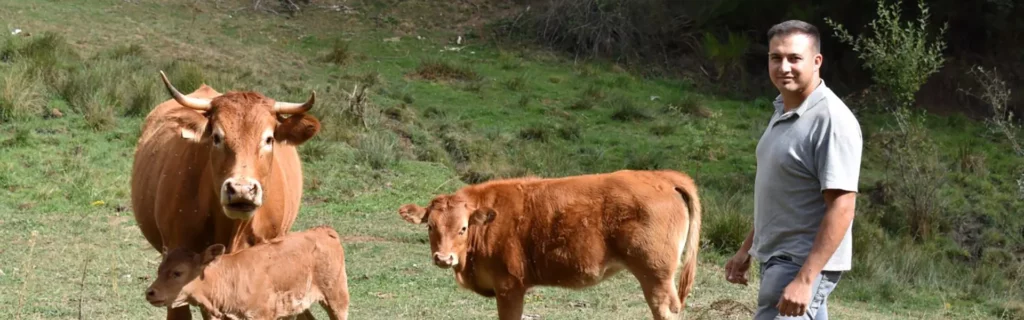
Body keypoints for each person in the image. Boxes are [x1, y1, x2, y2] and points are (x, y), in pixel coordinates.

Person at [724, 20, 863, 320]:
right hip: (777, 259)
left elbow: (842, 206)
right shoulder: (784, 111)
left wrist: (805, 279)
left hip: (798, 264)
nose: (783, 67)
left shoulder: (831, 120)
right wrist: (747, 249)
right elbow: (781, 193)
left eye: (794, 58)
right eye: (776, 57)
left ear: (816, 61)